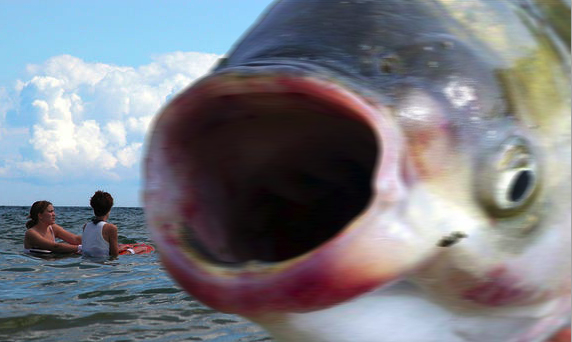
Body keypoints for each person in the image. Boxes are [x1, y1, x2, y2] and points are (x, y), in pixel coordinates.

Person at [82, 191, 124, 258]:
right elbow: (114, 255)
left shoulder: (85, 226)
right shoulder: (111, 228)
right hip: (103, 264)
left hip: (87, 261)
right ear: (109, 209)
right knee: (139, 249)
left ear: (93, 207)